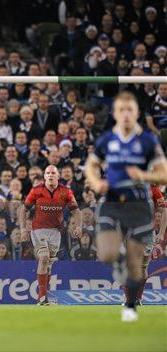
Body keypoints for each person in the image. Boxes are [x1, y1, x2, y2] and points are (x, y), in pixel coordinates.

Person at [85, 91, 167, 322]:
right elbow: (91, 166)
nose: (126, 114)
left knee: (137, 264)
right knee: (106, 253)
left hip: (139, 206)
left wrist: (142, 175)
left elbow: (164, 174)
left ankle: (130, 305)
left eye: (130, 110)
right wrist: (95, 182)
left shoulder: (148, 141)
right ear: (115, 113)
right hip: (111, 202)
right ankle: (118, 261)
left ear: (137, 113)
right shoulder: (107, 140)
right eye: (121, 110)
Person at [19, 165, 82, 305]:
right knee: (44, 256)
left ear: (58, 176)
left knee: (48, 265)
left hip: (55, 232)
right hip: (38, 229)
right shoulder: (36, 191)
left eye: (53, 173)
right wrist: (23, 229)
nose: (50, 175)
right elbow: (23, 210)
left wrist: (78, 226)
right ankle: (42, 298)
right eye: (48, 173)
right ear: (45, 176)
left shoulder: (66, 192)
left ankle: (43, 297)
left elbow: (76, 211)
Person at [122, 184, 166, 305]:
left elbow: (164, 209)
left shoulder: (153, 189)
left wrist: (161, 232)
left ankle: (138, 298)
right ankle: (128, 299)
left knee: (142, 268)